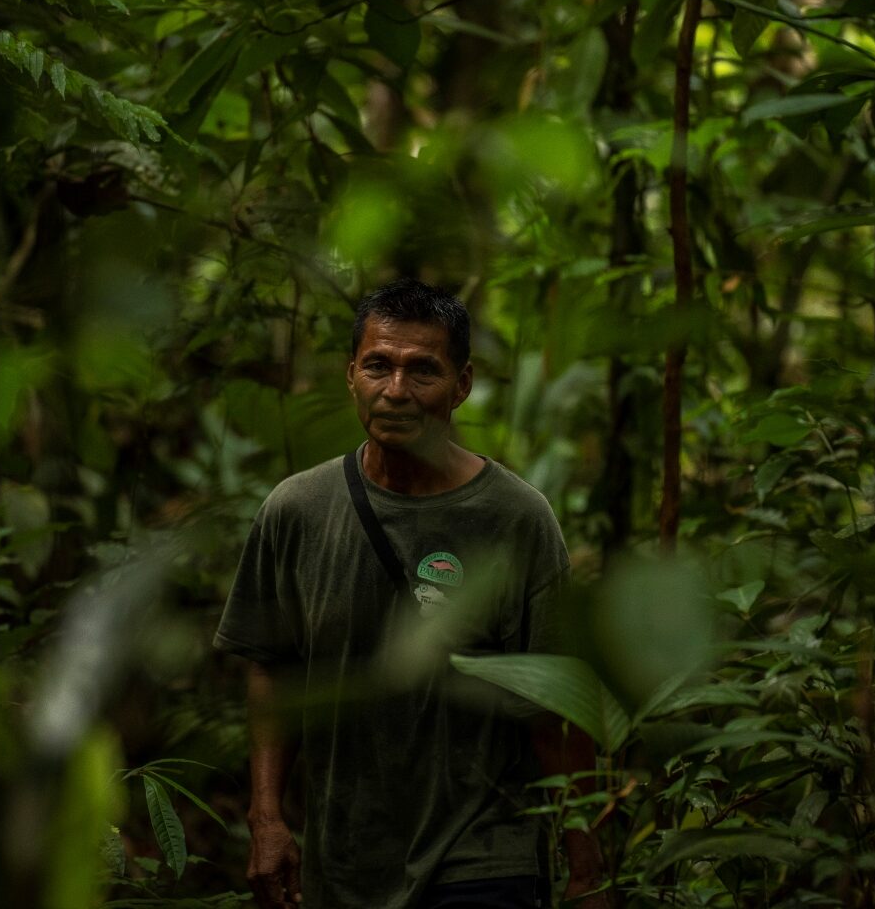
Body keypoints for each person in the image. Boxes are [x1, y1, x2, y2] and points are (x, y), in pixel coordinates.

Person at [214, 279, 610, 909]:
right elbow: (273, 669)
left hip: (485, 851)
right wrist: (266, 818)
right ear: (350, 375)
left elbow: (554, 700)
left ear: (463, 384)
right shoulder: (297, 509)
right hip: (346, 859)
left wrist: (587, 862)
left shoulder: (516, 518)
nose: (396, 390)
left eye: (422, 370)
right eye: (378, 365)